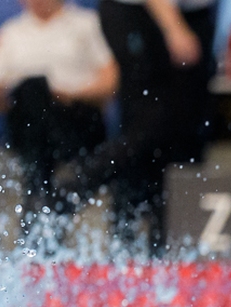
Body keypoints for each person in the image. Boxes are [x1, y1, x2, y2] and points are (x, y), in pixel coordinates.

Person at [65, 0, 213, 253]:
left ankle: (163, 242)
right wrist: (173, 27)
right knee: (147, 127)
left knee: (182, 134)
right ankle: (71, 191)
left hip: (189, 13)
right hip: (140, 11)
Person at [0, 0, 117, 209]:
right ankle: (46, 200)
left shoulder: (86, 23)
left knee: (37, 91)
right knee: (32, 89)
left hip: (75, 117)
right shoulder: (12, 32)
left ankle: (37, 196)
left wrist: (65, 93)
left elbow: (111, 83)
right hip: (28, 120)